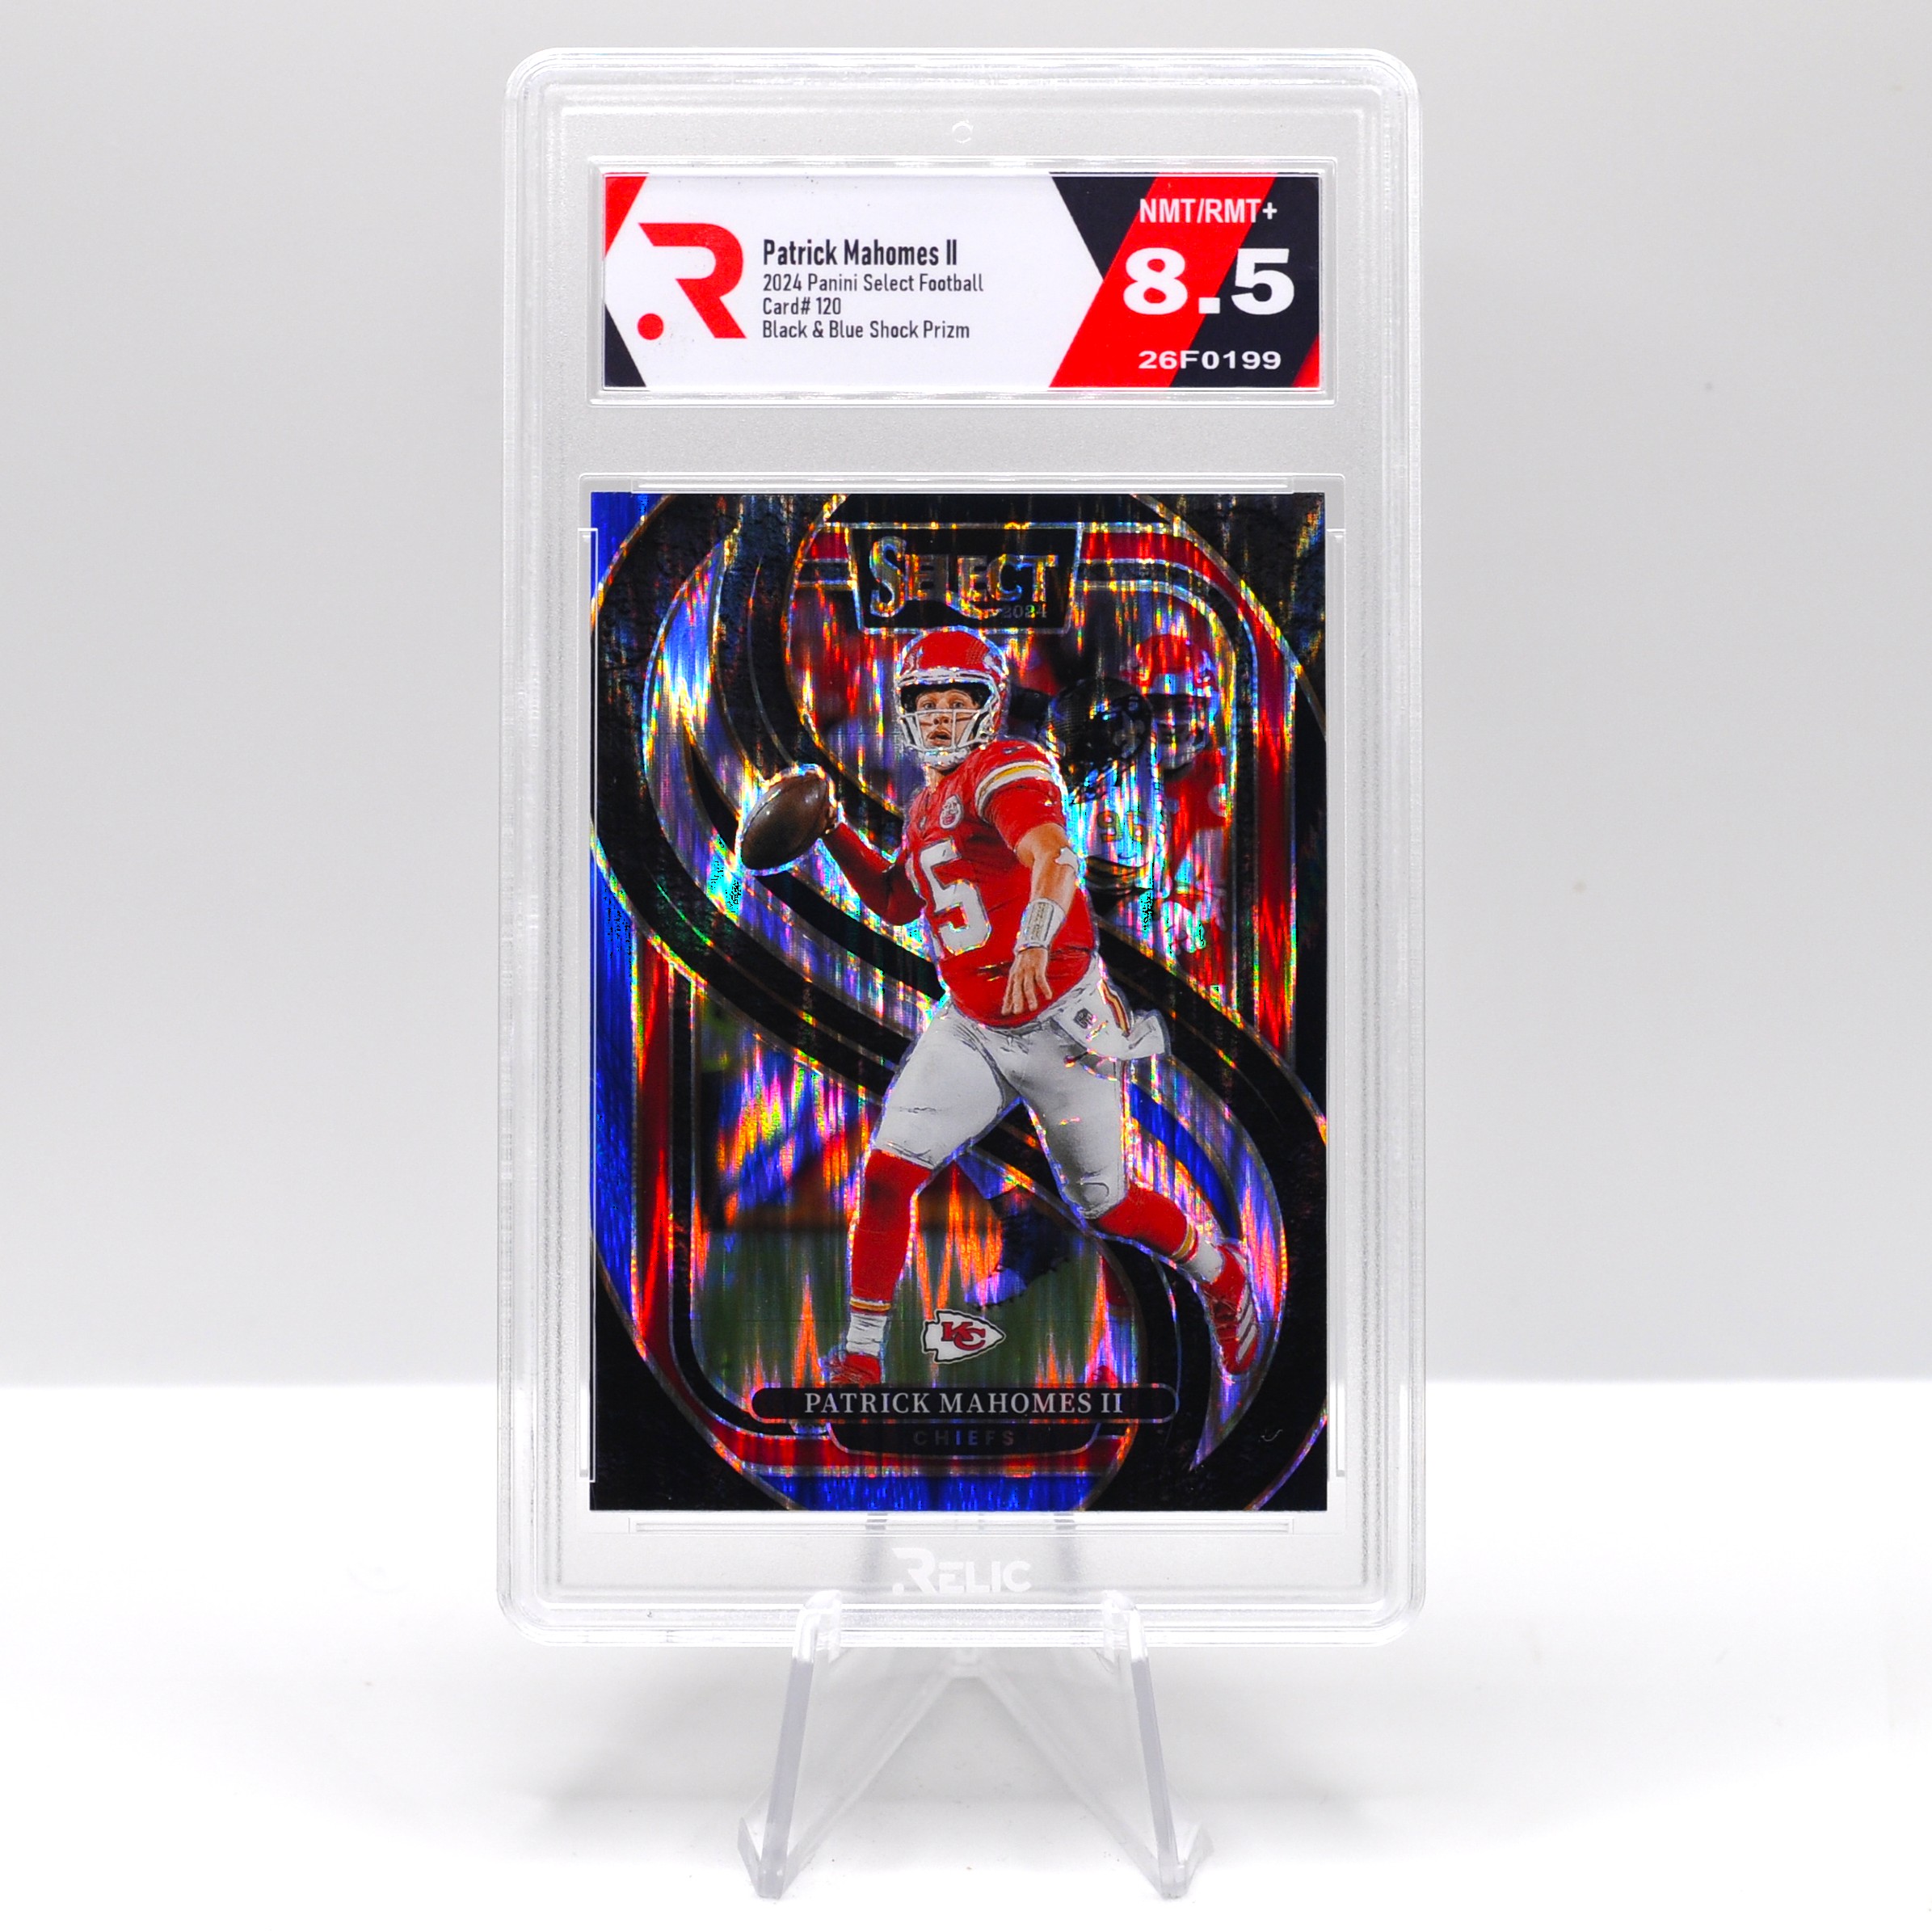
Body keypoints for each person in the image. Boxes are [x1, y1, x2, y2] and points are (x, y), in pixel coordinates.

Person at [806, 627, 1258, 1387]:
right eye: (928, 702)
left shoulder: (1006, 765)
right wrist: (832, 832)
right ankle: (858, 1355)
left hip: (1059, 1026)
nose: (942, 716)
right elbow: (894, 901)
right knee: (886, 1176)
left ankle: (1221, 1272)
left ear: (989, 707)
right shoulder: (924, 804)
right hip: (972, 1025)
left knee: (1107, 1206)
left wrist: (1032, 942)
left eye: (958, 701)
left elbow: (1051, 853)